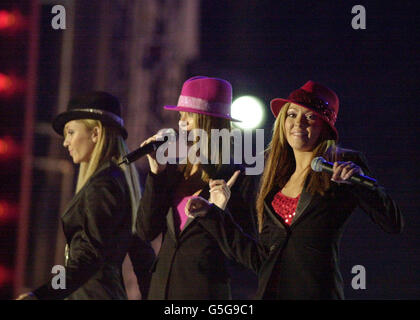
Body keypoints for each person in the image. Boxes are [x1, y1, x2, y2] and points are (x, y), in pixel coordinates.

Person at [186, 80, 403, 299]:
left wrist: (360, 184)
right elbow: (261, 259)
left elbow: (393, 223)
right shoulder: (273, 179)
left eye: (310, 117)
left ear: (324, 127)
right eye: (292, 114)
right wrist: (212, 215)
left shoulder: (341, 165)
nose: (298, 123)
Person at [16, 91, 155, 300]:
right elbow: (142, 256)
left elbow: (87, 258)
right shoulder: (116, 182)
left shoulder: (104, 186)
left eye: (71, 132)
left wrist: (41, 295)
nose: (65, 142)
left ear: (95, 133)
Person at [136, 76, 258, 299]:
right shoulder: (174, 169)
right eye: (180, 116)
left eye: (188, 117)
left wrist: (216, 213)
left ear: (209, 123)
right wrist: (156, 173)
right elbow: (146, 230)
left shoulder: (237, 177)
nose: (181, 124)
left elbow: (247, 260)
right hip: (161, 291)